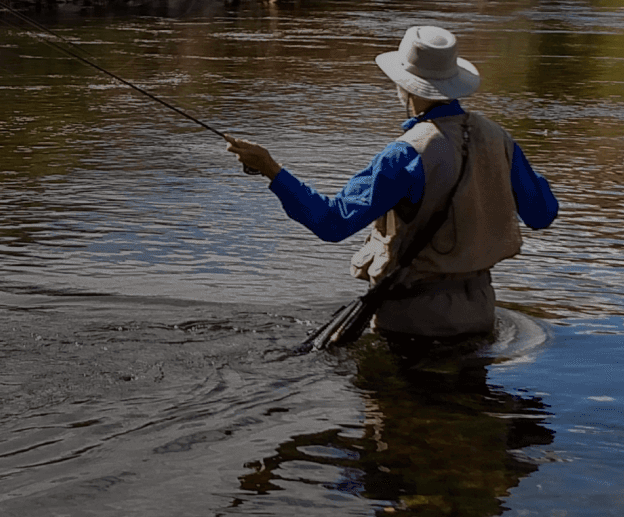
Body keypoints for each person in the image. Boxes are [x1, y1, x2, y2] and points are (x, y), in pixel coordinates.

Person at [223, 25, 559, 342]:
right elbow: (542, 214)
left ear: (406, 85)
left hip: (413, 319)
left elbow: (332, 223)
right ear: (454, 81)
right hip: (481, 313)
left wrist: (271, 170)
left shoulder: (406, 154)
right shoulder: (500, 139)